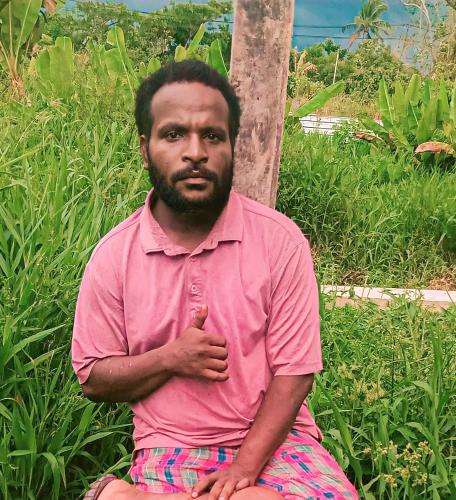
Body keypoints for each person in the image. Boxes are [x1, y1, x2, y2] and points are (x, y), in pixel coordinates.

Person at [72, 60, 358, 500]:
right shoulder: (115, 255)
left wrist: (244, 469)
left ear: (232, 147)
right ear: (146, 148)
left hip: (278, 442)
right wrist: (170, 358)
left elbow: (296, 374)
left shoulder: (279, 241)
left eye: (212, 136)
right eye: (173, 135)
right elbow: (93, 378)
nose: (195, 153)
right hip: (172, 445)